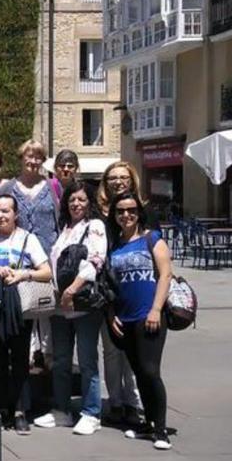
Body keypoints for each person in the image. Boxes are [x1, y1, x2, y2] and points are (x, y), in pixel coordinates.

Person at [35, 180, 107, 436]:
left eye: (82, 200)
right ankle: (62, 410)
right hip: (60, 307)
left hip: (83, 304)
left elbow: (95, 261)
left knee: (87, 360)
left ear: (90, 203)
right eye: (72, 199)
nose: (76, 204)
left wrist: (71, 290)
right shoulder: (65, 229)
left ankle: (91, 413)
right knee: (62, 360)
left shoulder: (94, 227)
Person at [0, 195, 52, 435]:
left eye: (6, 211)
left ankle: (20, 410)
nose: (1, 215)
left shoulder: (27, 239)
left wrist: (22, 274)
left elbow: (46, 272)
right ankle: (1, 408)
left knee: (20, 359)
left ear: (15, 214)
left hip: (18, 307)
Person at [106, 192, 174, 451]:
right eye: (120, 211)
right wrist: (112, 315)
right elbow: (109, 286)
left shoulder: (151, 239)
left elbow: (166, 275)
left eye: (131, 210)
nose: (126, 215)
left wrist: (156, 309)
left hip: (150, 316)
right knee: (139, 372)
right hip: (125, 318)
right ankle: (148, 422)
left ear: (139, 212)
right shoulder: (115, 246)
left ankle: (161, 429)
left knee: (150, 371)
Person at [0, 140, 60, 374]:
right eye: (29, 156)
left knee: (45, 302)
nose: (33, 161)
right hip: (19, 252)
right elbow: (0, 214)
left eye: (38, 157)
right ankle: (28, 354)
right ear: (21, 158)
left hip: (47, 251)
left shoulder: (52, 187)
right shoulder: (8, 188)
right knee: (25, 302)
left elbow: (58, 218)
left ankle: (47, 353)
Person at [96, 161, 146, 427]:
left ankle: (133, 402)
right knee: (112, 350)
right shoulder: (99, 215)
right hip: (110, 290)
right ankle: (115, 401)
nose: (118, 181)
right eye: (112, 177)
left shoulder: (141, 210)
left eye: (123, 177)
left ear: (132, 180)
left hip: (136, 289)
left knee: (135, 352)